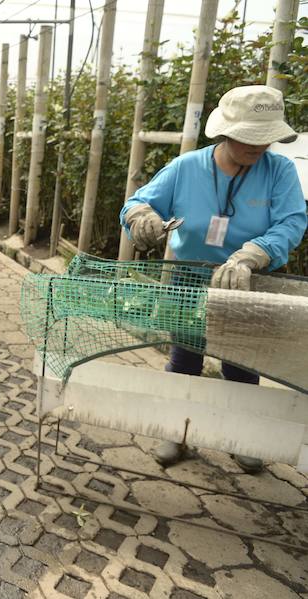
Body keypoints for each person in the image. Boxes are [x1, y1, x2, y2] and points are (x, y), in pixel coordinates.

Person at [120, 85, 307, 472]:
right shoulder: (187, 167)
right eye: (248, 139)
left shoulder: (280, 171)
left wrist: (253, 254)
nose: (258, 147)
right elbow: (138, 202)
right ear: (225, 132)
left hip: (246, 281)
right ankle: (175, 429)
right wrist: (142, 219)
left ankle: (240, 436)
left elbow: (292, 221)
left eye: (265, 138)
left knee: (242, 364)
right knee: (185, 357)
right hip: (189, 277)